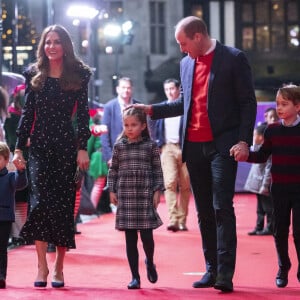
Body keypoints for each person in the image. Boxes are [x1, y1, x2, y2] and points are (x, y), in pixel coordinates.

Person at [130, 16, 257, 292]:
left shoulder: (234, 58)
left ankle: (225, 273)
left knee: (222, 207)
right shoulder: (186, 63)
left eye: (183, 43)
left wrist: (244, 142)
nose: (181, 49)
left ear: (198, 36)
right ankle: (211, 268)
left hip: (224, 146)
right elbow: (184, 102)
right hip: (194, 147)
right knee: (203, 212)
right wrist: (154, 110)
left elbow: (248, 102)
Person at [12, 24, 92, 288]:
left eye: (56, 42)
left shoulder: (79, 74)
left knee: (62, 208)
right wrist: (19, 148)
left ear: (65, 45)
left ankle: (59, 266)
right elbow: (27, 115)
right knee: (39, 205)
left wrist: (82, 146)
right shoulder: (34, 73)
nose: (51, 47)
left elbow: (83, 114)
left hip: (66, 149)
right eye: (47, 42)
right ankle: (41, 266)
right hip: (40, 149)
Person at [231, 84, 300, 288]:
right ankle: (283, 265)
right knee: (279, 230)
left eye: (284, 104)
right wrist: (245, 155)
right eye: (278, 104)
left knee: (299, 233)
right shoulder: (272, 130)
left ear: (298, 106)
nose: (279, 108)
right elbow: (262, 155)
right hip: (278, 189)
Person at [107, 107, 164, 290]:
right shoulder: (119, 146)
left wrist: (157, 191)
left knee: (147, 237)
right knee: (130, 239)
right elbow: (113, 170)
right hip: (126, 196)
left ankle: (150, 261)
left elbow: (157, 170)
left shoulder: (151, 146)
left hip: (144, 195)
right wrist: (112, 190)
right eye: (126, 125)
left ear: (142, 126)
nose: (129, 128)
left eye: (133, 125)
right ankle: (135, 277)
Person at [154, 78, 190, 232]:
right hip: (167, 148)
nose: (169, 92)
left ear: (178, 89)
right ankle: (173, 219)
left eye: (172, 88)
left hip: (185, 148)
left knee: (185, 185)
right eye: (166, 89)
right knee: (169, 184)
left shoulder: (185, 106)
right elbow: (154, 126)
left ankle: (182, 220)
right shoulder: (162, 107)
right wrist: (159, 145)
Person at [4, 84, 30, 247]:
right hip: (16, 160)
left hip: (27, 161)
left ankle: (23, 232)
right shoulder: (11, 117)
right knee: (18, 197)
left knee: (24, 199)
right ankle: (17, 234)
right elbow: (14, 142)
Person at [0, 141, 28, 288]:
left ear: (6, 160)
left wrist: (21, 171)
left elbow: (20, 184)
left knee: (2, 248)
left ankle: (1, 276)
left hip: (4, 218)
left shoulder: (11, 176)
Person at [101, 77, 141, 166]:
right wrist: (109, 156)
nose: (126, 90)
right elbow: (104, 134)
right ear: (117, 89)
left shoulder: (138, 106)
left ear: (132, 89)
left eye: (128, 87)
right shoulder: (109, 107)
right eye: (123, 87)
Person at [244, 123, 273, 236]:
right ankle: (258, 226)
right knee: (260, 208)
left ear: (261, 137)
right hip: (257, 184)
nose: (253, 137)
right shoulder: (256, 147)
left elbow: (268, 169)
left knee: (268, 208)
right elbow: (253, 151)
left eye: (254, 135)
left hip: (263, 185)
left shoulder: (269, 150)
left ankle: (270, 227)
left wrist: (265, 185)